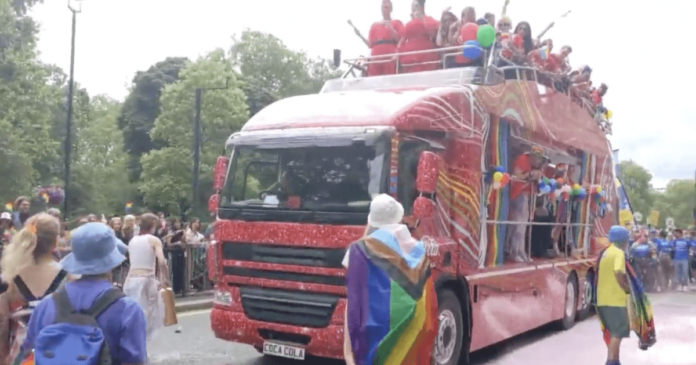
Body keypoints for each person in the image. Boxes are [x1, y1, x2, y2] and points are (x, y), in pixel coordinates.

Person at [20, 222, 147, 365]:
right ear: (113, 262)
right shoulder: (128, 309)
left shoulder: (46, 305)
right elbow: (134, 361)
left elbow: (28, 353)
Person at [343, 195, 437, 365]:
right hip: (412, 332)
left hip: (373, 337)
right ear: (398, 218)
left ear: (371, 220)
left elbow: (353, 301)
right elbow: (428, 300)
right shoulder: (418, 250)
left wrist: (348, 350)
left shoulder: (358, 250)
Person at [0, 213, 68, 365]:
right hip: (57, 354)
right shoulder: (67, 277)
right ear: (55, 241)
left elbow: (3, 326)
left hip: (20, 356)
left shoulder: (12, 278)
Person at [123, 213, 170, 342]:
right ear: (152, 225)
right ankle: (143, 342)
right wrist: (165, 278)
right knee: (151, 313)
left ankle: (132, 341)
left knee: (133, 312)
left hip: (131, 279)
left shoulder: (132, 240)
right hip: (147, 279)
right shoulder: (153, 239)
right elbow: (161, 261)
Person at [596, 226, 631, 365]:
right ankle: (610, 361)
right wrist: (626, 287)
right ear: (623, 239)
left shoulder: (605, 252)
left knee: (613, 332)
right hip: (614, 300)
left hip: (602, 299)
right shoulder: (618, 253)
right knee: (618, 332)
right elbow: (618, 272)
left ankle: (616, 361)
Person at [507, 146, 547, 262]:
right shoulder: (522, 159)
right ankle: (515, 252)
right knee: (519, 226)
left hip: (528, 196)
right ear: (532, 156)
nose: (538, 161)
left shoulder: (534, 166)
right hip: (519, 195)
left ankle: (521, 251)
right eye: (537, 158)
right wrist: (530, 175)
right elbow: (515, 177)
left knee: (523, 226)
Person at [398, 0, 440, 73]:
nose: (414, 8)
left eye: (416, 6)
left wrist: (421, 18)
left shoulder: (429, 20)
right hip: (409, 56)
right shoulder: (409, 23)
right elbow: (403, 38)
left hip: (425, 53)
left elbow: (432, 33)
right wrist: (398, 51)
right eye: (413, 7)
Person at [367, 0, 404, 76]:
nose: (384, 9)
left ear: (391, 9)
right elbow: (370, 44)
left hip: (390, 55)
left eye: (386, 7)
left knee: (390, 78)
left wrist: (391, 30)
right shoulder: (374, 25)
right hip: (376, 57)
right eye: (382, 7)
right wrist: (359, 36)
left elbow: (402, 40)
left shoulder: (397, 23)